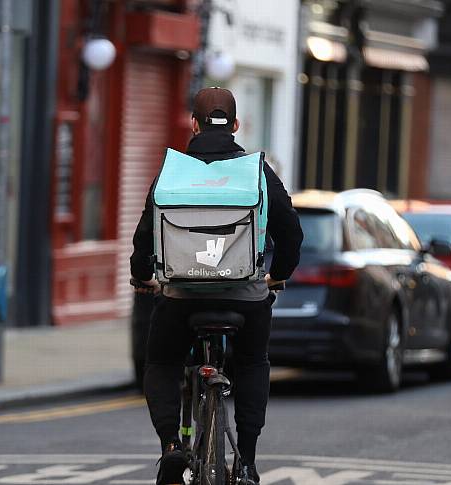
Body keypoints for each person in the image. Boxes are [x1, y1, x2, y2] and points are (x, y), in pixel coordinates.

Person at [129, 87, 303, 485]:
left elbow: (143, 237)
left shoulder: (172, 172)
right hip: (246, 297)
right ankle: (248, 462)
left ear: (193, 125)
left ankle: (172, 446)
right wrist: (279, 274)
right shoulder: (256, 171)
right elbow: (291, 232)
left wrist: (142, 277)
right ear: (237, 126)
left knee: (162, 363)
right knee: (252, 363)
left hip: (181, 297)